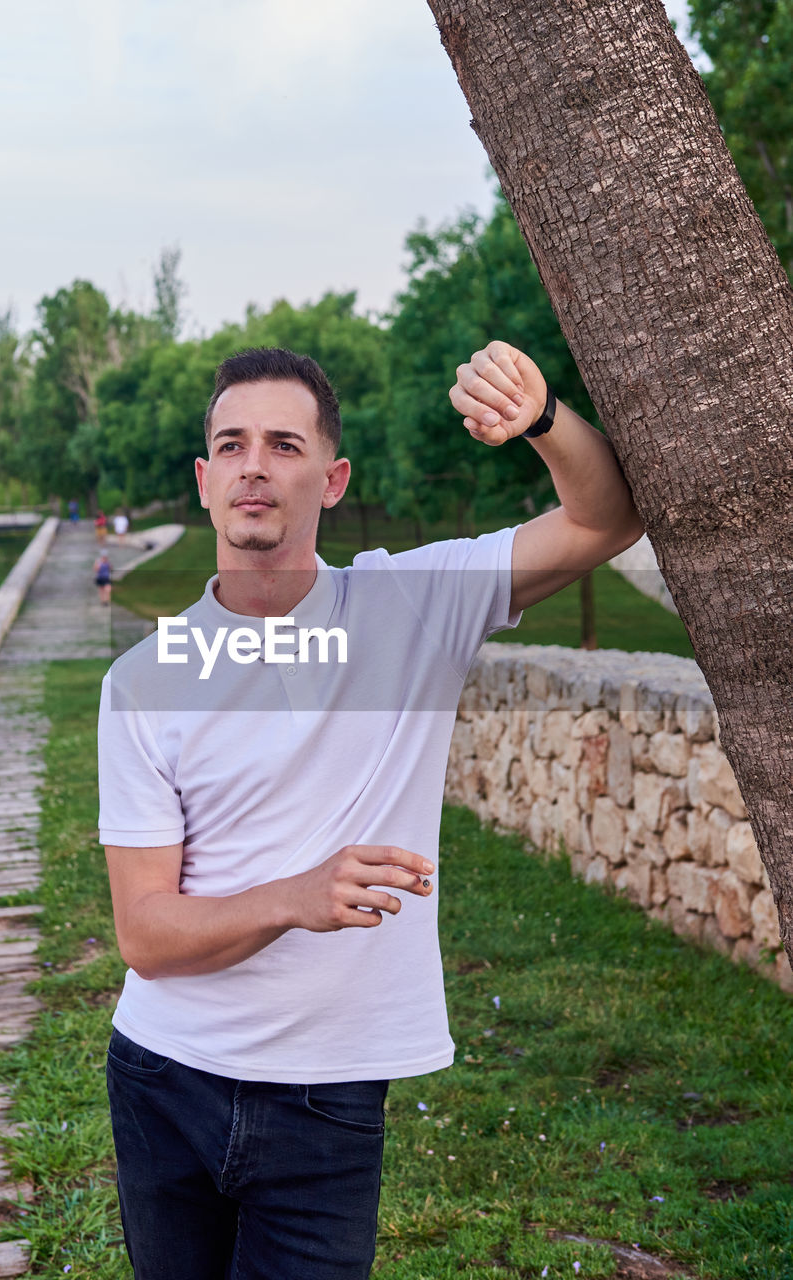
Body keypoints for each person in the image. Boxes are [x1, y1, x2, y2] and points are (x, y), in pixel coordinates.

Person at [96, 343, 642, 1280]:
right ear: (203, 479)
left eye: (283, 444)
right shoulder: (143, 682)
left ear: (333, 477)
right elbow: (146, 935)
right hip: (164, 1078)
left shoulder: (411, 603)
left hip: (328, 1093)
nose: (254, 467)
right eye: (231, 446)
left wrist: (543, 417)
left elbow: (608, 518)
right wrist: (293, 898)